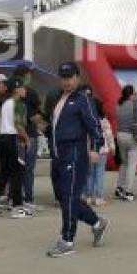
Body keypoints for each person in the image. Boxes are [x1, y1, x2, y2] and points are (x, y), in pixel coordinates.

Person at [46, 62, 108, 258]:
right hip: (57, 154)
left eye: (70, 77)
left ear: (78, 78)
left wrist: (96, 148)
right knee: (64, 198)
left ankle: (67, 240)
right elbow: (56, 126)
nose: (67, 80)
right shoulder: (58, 98)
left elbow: (95, 126)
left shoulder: (83, 100)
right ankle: (98, 223)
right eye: (64, 77)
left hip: (74, 153)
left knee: (71, 197)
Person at [0, 76, 32, 218]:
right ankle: (17, 206)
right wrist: (27, 139)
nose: (24, 90)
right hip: (14, 140)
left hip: (2, 139)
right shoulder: (19, 104)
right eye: (22, 87)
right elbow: (18, 125)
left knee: (5, 173)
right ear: (16, 89)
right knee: (17, 173)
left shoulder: (6, 103)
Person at [15, 62, 44, 210]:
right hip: (29, 135)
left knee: (16, 168)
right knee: (28, 169)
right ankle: (28, 199)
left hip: (12, 135)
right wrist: (41, 121)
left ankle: (15, 199)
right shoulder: (31, 92)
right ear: (26, 75)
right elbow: (35, 116)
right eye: (30, 73)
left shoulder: (9, 91)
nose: (31, 76)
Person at [114, 85, 137, 201]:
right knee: (132, 165)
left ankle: (119, 188)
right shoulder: (136, 106)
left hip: (120, 135)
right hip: (133, 137)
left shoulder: (118, 106)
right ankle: (128, 191)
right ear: (131, 94)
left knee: (124, 163)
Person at [85, 98, 114, 205]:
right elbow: (109, 135)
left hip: (89, 150)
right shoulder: (104, 121)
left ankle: (88, 196)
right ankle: (98, 197)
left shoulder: (86, 120)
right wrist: (112, 147)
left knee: (89, 174)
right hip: (102, 150)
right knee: (100, 174)